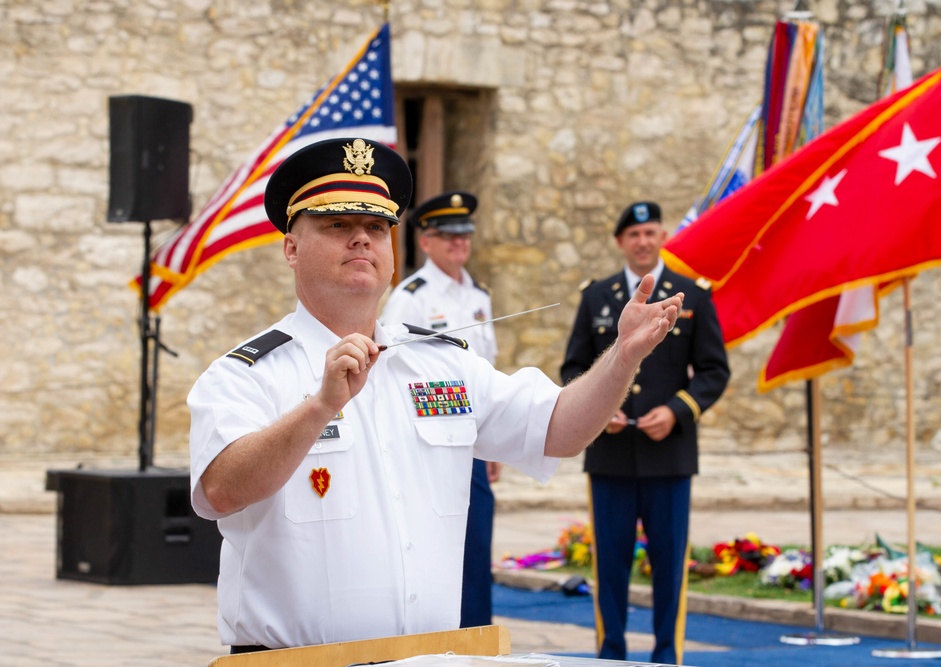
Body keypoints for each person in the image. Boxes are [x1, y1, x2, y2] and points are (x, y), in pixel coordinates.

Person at [187, 138, 684, 653]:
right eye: (337, 224)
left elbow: (559, 429)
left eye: (377, 227)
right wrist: (320, 407)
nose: (361, 239)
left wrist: (623, 356)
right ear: (291, 248)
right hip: (297, 665)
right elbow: (222, 489)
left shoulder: (439, 362)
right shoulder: (247, 374)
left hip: (427, 659)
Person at [560, 201, 730, 665]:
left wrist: (678, 411)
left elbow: (714, 371)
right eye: (633, 235)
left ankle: (666, 655)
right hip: (610, 453)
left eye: (651, 233)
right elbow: (573, 366)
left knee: (670, 566)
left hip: (668, 454)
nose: (643, 242)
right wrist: (598, 408)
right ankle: (610, 653)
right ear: (621, 242)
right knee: (609, 566)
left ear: (662, 238)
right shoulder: (597, 296)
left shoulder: (692, 296)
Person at [379, 190, 500, 628]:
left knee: (476, 544)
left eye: (464, 234)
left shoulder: (478, 295)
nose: (458, 243)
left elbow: (487, 370)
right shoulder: (410, 297)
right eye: (448, 235)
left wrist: (494, 443)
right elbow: (393, 371)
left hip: (468, 439)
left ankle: (477, 639)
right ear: (425, 241)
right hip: (427, 441)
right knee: (434, 545)